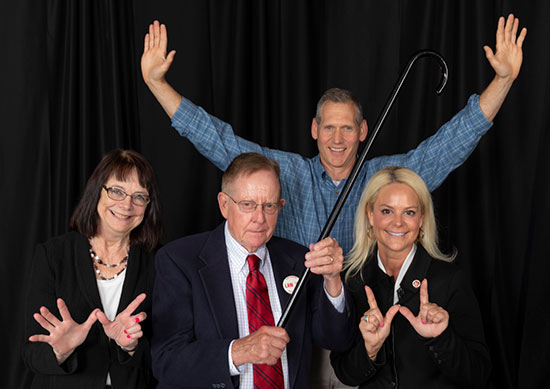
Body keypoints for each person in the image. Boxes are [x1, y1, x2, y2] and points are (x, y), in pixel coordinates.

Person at [142, 13, 524, 389]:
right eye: (328, 127)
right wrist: (157, 84)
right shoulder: (284, 172)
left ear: (362, 132)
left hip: (359, 341)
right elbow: (217, 140)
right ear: (314, 130)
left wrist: (503, 80)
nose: (337, 138)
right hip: (292, 340)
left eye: (347, 128)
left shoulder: (383, 180)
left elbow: (450, 145)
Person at [152, 152, 356, 388]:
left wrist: (332, 280)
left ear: (280, 206)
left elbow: (337, 340)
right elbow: (166, 362)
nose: (260, 218)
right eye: (248, 205)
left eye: (269, 206)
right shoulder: (180, 260)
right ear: (224, 205)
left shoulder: (300, 261)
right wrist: (238, 351)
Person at [330, 166, 490, 387]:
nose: (398, 222)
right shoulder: (353, 279)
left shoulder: (450, 280)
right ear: (370, 215)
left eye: (409, 212)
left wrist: (441, 338)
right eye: (387, 211)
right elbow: (345, 374)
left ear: (421, 219)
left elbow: (478, 374)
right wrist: (370, 349)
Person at [22, 149, 162, 389]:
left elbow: (169, 354)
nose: (127, 204)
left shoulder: (160, 262)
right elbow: (31, 353)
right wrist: (60, 352)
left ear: (147, 206)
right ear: (97, 191)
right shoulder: (53, 255)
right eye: (117, 191)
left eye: (139, 196)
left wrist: (130, 346)